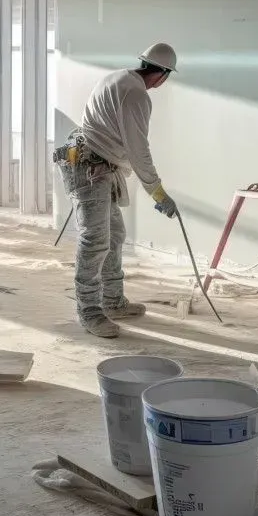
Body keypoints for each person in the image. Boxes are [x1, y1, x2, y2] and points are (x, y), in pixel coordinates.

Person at [54, 43, 178, 338]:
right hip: (90, 168)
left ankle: (112, 300)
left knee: (114, 234)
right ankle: (90, 311)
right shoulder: (136, 95)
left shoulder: (117, 77)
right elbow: (138, 150)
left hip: (96, 164)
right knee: (95, 239)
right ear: (162, 76)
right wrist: (158, 193)